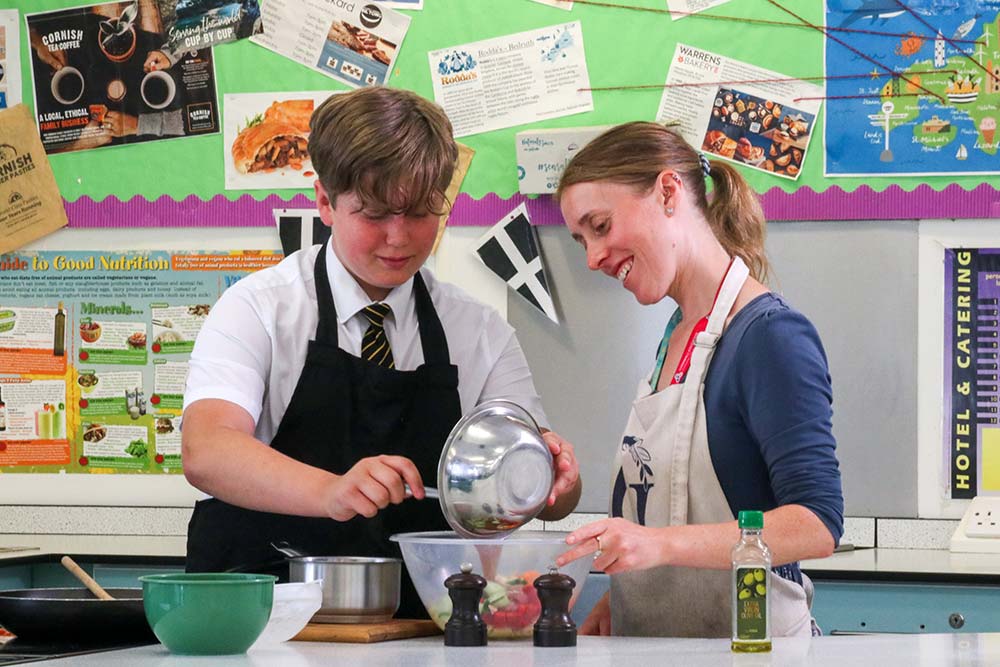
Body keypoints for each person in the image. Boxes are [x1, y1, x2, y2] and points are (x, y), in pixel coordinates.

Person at [181, 87, 581, 618]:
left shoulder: (478, 329)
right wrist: (332, 492)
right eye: (373, 213)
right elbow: (207, 450)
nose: (398, 237)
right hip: (260, 623)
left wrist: (554, 479)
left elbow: (540, 495)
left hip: (418, 631)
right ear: (324, 201)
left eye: (419, 212)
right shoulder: (258, 309)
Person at [552, 122, 843, 638]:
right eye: (581, 240)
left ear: (668, 191)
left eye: (599, 226)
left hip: (754, 649)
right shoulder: (675, 341)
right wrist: (629, 602)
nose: (593, 258)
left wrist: (658, 546)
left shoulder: (769, 335)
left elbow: (817, 524)